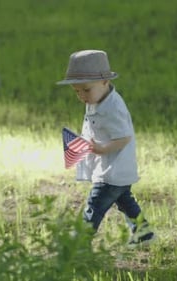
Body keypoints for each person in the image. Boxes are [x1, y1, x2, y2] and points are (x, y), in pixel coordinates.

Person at [56, 50, 155, 247]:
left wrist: (101, 149)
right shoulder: (97, 99)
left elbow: (124, 137)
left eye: (86, 90)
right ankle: (144, 234)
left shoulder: (112, 108)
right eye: (77, 91)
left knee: (95, 205)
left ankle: (80, 245)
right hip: (114, 169)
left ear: (105, 82)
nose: (82, 96)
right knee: (125, 201)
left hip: (113, 169)